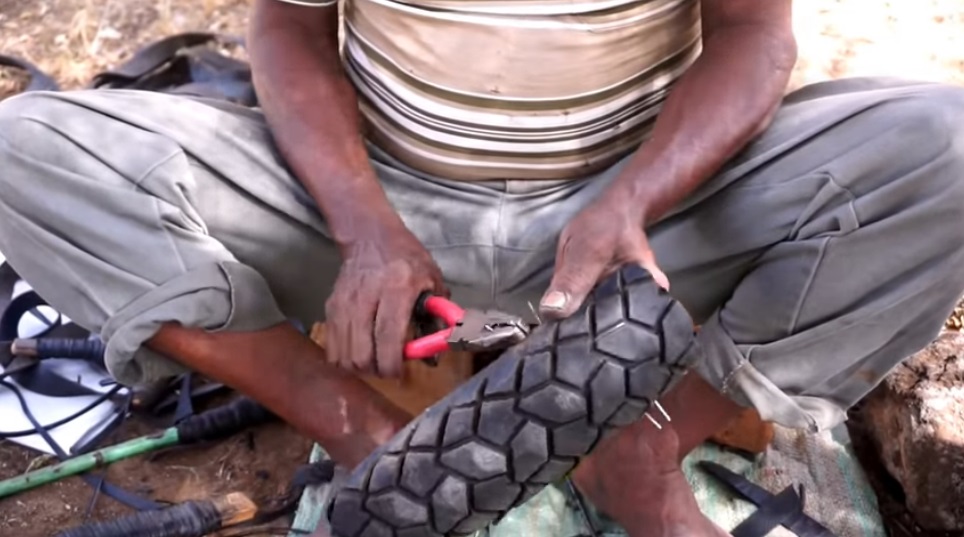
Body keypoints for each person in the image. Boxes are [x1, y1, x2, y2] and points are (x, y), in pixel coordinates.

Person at [1, 0, 964, 534]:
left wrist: (636, 196)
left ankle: (643, 447)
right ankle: (373, 439)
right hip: (375, 203)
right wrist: (362, 226)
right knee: (25, 149)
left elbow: (756, 34)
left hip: (640, 219)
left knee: (945, 147)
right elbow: (288, 27)